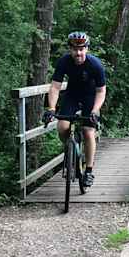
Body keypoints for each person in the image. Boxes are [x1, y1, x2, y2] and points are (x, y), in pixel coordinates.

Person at [42, 31, 106, 188]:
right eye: (75, 49)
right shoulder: (64, 62)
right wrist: (51, 108)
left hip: (90, 97)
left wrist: (95, 111)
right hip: (71, 95)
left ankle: (89, 171)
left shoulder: (95, 64)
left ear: (87, 49)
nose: (78, 53)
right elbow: (55, 86)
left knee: (88, 131)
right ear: (70, 49)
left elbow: (101, 91)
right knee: (62, 127)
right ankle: (71, 149)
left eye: (81, 49)